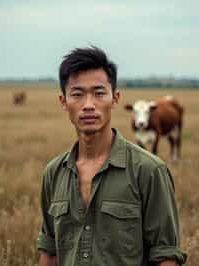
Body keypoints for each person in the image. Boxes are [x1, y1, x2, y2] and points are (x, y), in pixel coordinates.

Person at [36, 46, 187, 266]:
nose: (89, 105)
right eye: (77, 94)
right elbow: (50, 252)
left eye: (99, 93)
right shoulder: (53, 173)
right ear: (63, 102)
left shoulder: (149, 171)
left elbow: (166, 257)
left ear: (115, 99)